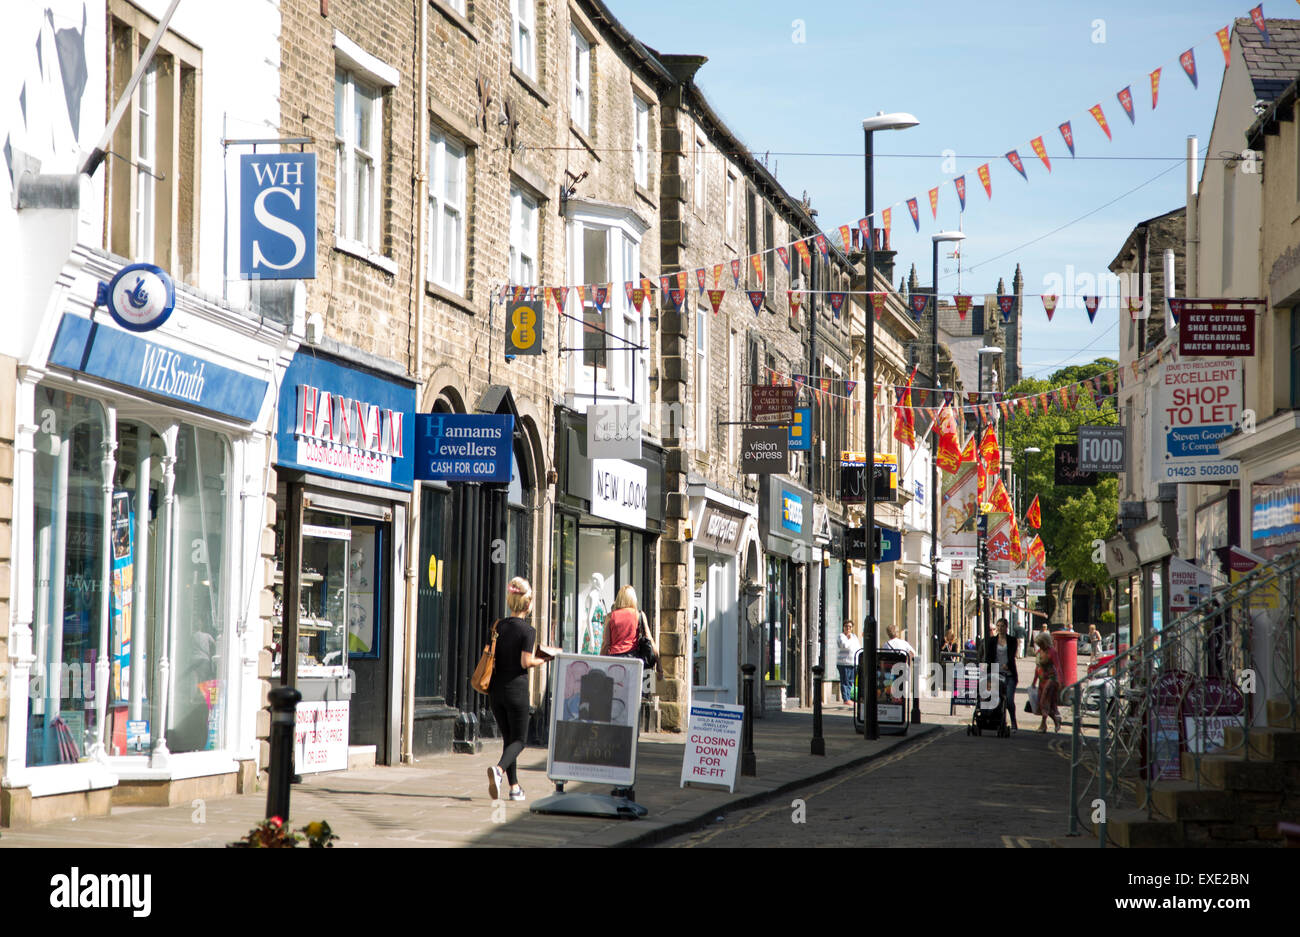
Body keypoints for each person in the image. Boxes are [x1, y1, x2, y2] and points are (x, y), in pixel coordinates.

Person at [487, 577, 556, 802]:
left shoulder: (499, 626)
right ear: (528, 604)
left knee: (509, 740)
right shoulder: (528, 630)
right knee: (520, 740)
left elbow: (493, 654)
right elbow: (525, 661)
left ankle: (514, 788)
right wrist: (544, 658)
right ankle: (498, 770)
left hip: (496, 691)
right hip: (516, 691)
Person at [983, 617, 1019, 732]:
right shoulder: (992, 641)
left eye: (1002, 626)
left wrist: (1007, 665)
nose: (1000, 628)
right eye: (998, 626)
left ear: (1006, 627)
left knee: (1008, 700)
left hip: (1009, 675)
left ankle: (1013, 721)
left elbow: (1012, 654)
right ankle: (998, 720)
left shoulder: (1012, 640)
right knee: (994, 698)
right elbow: (988, 657)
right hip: (995, 674)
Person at [1030, 629, 1062, 733]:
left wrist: (1060, 681)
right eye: (1039, 644)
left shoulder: (1052, 651)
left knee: (1044, 701)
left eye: (1041, 644)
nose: (1040, 646)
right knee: (1042, 703)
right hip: (1041, 680)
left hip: (1051, 679)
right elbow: (1037, 668)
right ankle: (1056, 720)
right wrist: (1034, 681)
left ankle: (1043, 725)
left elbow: (1057, 667)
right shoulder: (1039, 652)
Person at [837, 621, 861, 705]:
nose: (848, 628)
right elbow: (845, 645)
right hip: (844, 663)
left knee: (851, 682)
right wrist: (850, 638)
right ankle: (846, 699)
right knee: (845, 681)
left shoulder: (854, 636)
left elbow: (858, 647)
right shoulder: (841, 636)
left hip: (853, 663)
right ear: (843, 627)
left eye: (850, 627)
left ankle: (848, 698)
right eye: (846, 626)